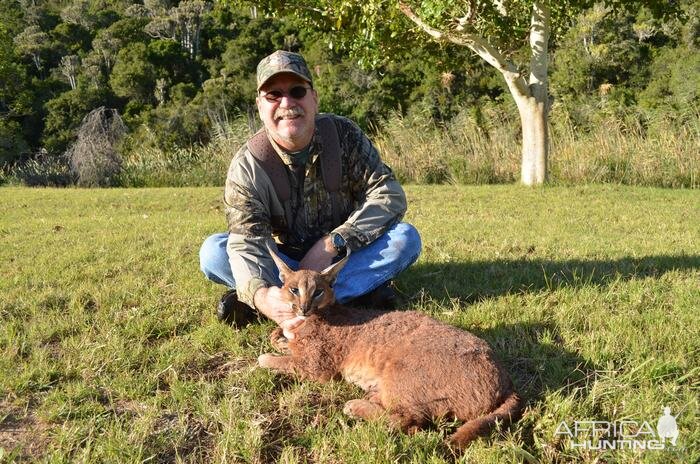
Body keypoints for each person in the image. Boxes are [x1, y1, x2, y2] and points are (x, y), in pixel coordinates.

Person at [199, 50, 421, 334]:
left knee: (405, 239)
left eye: (297, 91)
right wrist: (261, 295)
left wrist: (334, 243)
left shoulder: (345, 136)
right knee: (213, 252)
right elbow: (247, 241)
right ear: (259, 105)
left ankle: (307, 301)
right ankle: (345, 297)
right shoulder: (248, 165)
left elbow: (388, 194)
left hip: (338, 262)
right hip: (285, 265)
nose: (287, 103)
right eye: (273, 95)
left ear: (314, 98)